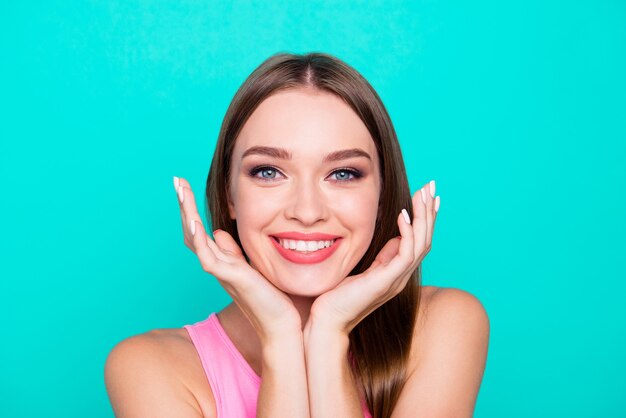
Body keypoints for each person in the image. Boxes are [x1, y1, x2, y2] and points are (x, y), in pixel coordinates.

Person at [104, 52, 490, 418]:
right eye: (268, 172)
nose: (307, 212)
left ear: (380, 196)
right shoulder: (147, 367)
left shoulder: (442, 324)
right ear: (228, 194)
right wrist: (280, 338)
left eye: (343, 174)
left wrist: (328, 332)